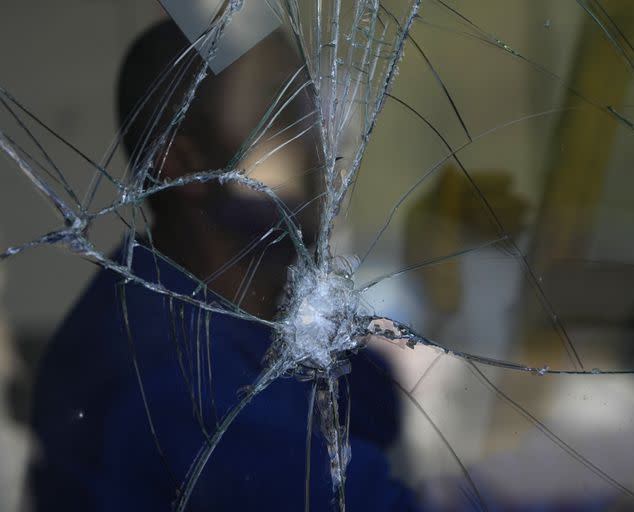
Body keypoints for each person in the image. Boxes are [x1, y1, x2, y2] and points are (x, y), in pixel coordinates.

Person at [28, 19, 414, 511]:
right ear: (186, 165)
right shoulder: (181, 379)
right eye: (280, 113)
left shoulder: (192, 308)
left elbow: (375, 412)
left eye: (312, 109)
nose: (323, 143)